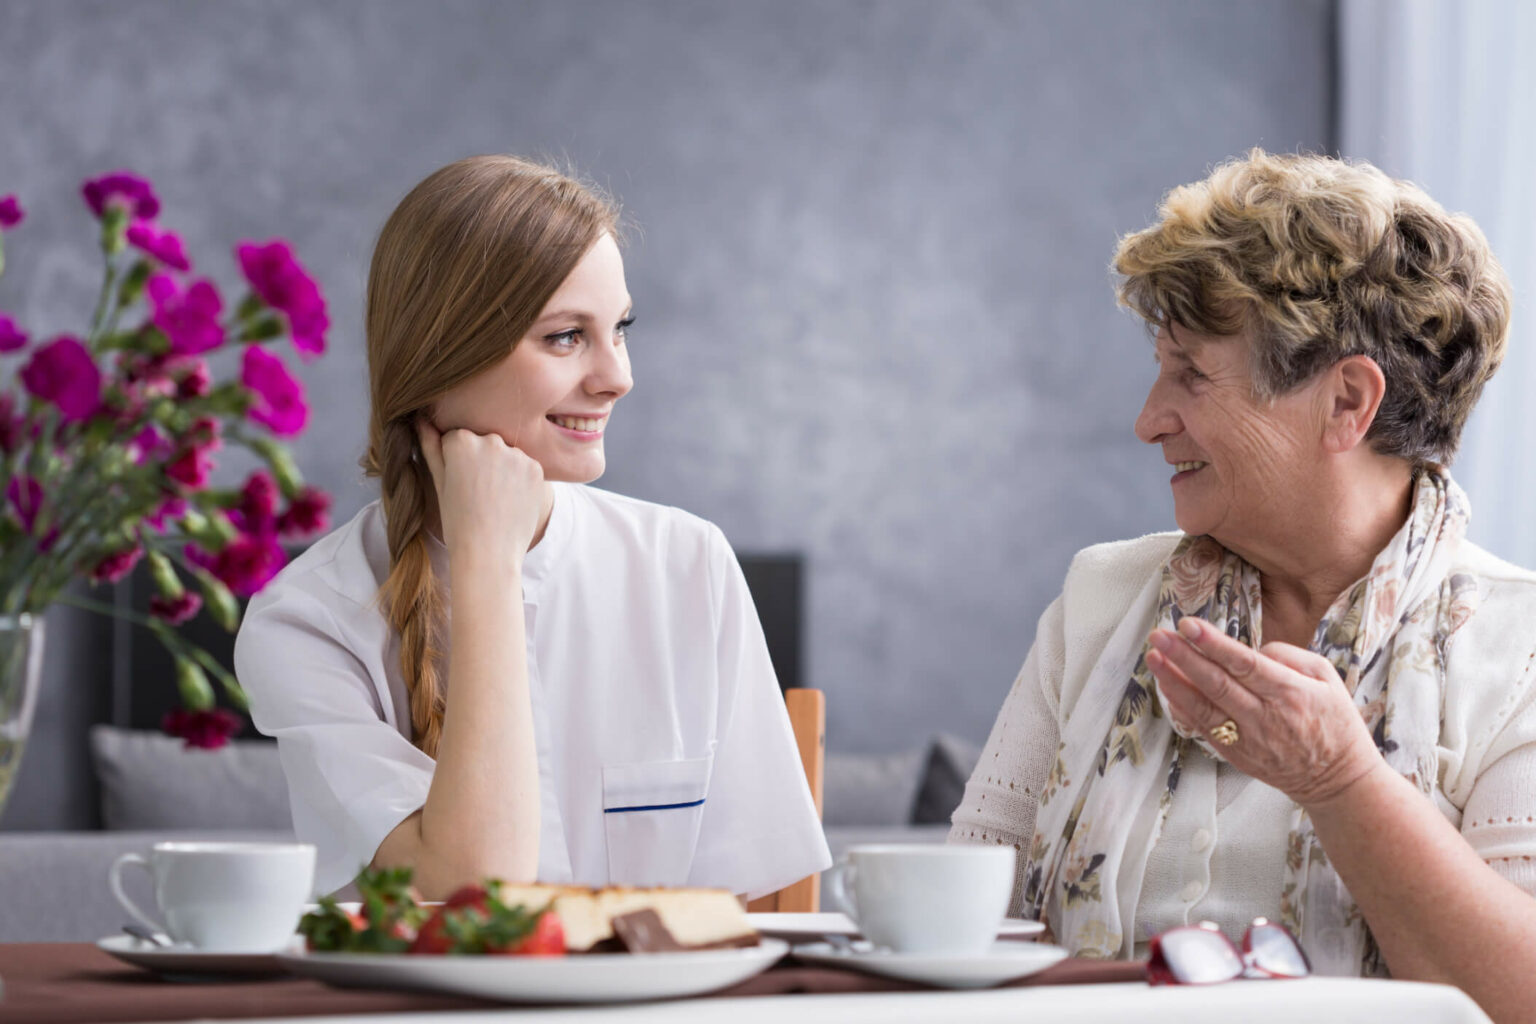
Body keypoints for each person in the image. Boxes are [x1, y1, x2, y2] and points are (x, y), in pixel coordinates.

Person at [951, 150, 1536, 1016]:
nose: (1149, 419)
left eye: (1191, 372)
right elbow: (961, 925)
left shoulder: (1518, 648)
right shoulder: (1103, 598)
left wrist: (1342, 783)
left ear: (1347, 402)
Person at [235, 155, 829, 901]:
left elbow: (750, 910)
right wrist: (488, 563)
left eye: (621, 327)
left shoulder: (686, 565)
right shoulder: (309, 622)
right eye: (564, 337)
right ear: (438, 360)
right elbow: (472, 893)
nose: (618, 376)